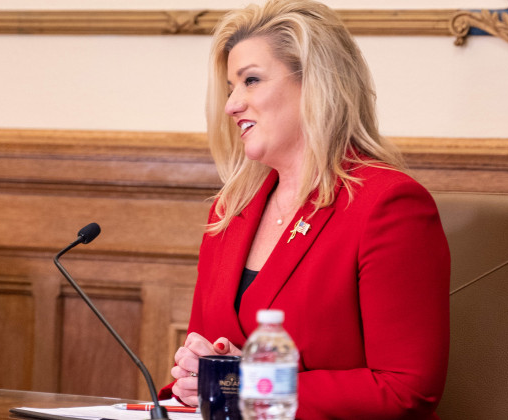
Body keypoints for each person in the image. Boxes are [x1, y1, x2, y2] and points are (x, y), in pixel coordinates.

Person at [159, 0, 450, 418]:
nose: (231, 105)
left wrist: (248, 383)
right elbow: (213, 367)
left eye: (251, 81)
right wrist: (192, 379)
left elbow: (407, 389)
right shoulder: (231, 209)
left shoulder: (389, 205)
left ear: (316, 82)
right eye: (229, 89)